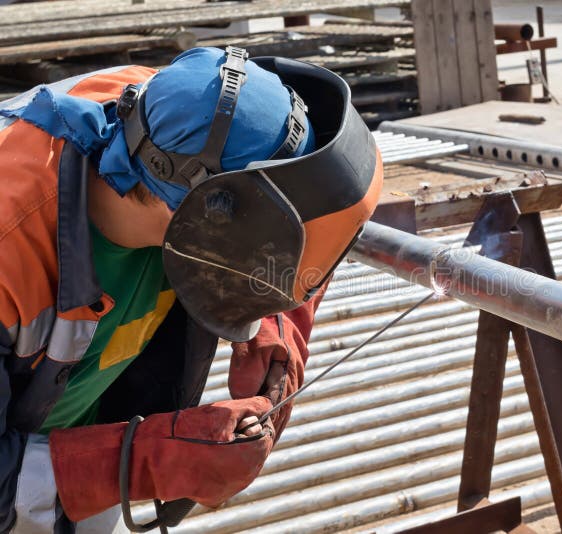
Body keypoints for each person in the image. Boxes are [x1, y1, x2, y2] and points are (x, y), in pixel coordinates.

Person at [0, 46, 382, 533]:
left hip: (74, 447)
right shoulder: (11, 253)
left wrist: (274, 323)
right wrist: (150, 460)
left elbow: (302, 222)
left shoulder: (185, 109)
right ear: (207, 214)